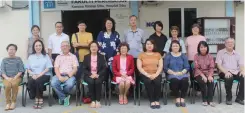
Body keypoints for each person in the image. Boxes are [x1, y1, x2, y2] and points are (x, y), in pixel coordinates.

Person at [122, 15, 147, 94]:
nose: (133, 21)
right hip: (128, 57)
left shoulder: (141, 31)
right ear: (129, 22)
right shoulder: (126, 32)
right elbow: (124, 44)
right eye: (131, 20)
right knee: (130, 74)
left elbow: (144, 43)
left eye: (134, 20)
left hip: (139, 56)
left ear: (136, 21)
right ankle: (130, 91)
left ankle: (138, 91)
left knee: (138, 73)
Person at [216, 37, 244, 105]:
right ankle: (229, 97)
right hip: (224, 72)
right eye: (228, 42)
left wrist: (243, 71)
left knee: (244, 77)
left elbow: (241, 65)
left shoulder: (237, 54)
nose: (230, 44)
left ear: (234, 44)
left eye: (231, 42)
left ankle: (239, 98)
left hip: (235, 72)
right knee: (229, 77)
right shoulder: (220, 52)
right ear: (225, 44)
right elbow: (218, 65)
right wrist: (226, 72)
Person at [51, 41, 79, 106]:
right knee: (53, 83)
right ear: (61, 48)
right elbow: (56, 68)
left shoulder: (73, 56)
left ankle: (62, 97)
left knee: (69, 84)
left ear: (69, 47)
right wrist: (59, 77)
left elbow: (75, 69)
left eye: (66, 45)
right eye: (63, 46)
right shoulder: (58, 57)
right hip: (59, 74)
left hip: (70, 75)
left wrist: (67, 77)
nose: (65, 47)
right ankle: (64, 97)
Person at [137, 39, 163, 109]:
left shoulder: (158, 54)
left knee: (157, 82)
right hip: (145, 74)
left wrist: (156, 74)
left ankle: (157, 100)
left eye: (151, 44)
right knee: (148, 81)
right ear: (145, 45)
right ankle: (151, 100)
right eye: (148, 44)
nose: (149, 46)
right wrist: (148, 75)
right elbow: (139, 67)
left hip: (156, 73)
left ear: (153, 45)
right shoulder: (141, 55)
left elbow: (160, 66)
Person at [27, 40, 53, 109]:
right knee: (30, 81)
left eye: (39, 45)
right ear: (34, 47)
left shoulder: (46, 56)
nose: (38, 47)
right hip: (34, 75)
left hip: (45, 74)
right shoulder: (31, 57)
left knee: (38, 80)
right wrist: (33, 74)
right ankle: (34, 95)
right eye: (36, 46)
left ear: (42, 47)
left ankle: (39, 98)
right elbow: (28, 69)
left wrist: (39, 75)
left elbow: (48, 68)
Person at [164, 40, 189, 107]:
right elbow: (165, 68)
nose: (175, 47)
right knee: (175, 80)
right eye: (173, 46)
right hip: (171, 74)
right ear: (171, 47)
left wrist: (181, 72)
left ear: (179, 47)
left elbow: (187, 67)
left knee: (185, 80)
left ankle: (182, 98)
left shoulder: (183, 56)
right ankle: (177, 97)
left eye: (176, 46)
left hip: (182, 73)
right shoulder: (168, 56)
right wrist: (173, 73)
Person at [48, 21, 69, 99]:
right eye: (57, 26)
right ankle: (55, 93)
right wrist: (50, 58)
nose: (59, 28)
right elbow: (49, 48)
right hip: (54, 55)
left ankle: (64, 91)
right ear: (55, 27)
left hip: (64, 55)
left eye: (60, 26)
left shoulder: (66, 36)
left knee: (64, 72)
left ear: (62, 28)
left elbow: (67, 47)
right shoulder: (51, 36)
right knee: (55, 75)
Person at [83, 41, 107, 108]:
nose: (93, 48)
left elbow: (104, 68)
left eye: (95, 46)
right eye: (92, 46)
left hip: (99, 75)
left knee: (97, 81)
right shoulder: (86, 57)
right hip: (89, 75)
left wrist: (97, 74)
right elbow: (84, 69)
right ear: (90, 48)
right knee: (91, 81)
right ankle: (93, 100)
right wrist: (91, 74)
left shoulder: (102, 56)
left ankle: (98, 101)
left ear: (98, 48)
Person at [1, 44, 25, 111]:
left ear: (15, 51)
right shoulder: (4, 60)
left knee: (14, 84)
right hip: (6, 77)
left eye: (13, 49)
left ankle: (13, 102)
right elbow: (2, 71)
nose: (11, 51)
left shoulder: (18, 59)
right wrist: (7, 78)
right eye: (10, 49)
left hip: (17, 77)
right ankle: (8, 103)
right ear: (7, 50)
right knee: (7, 85)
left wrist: (15, 77)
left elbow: (21, 70)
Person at [185, 24, 206, 92]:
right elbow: (186, 49)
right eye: (193, 28)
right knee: (192, 74)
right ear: (191, 30)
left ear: (199, 29)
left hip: (200, 59)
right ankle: (193, 87)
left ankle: (199, 87)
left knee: (199, 73)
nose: (195, 30)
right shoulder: (188, 38)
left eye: (197, 28)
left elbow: (205, 48)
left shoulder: (202, 38)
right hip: (190, 59)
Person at [194, 41, 215, 107]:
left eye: (205, 47)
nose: (203, 48)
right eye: (201, 47)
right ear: (199, 48)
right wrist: (203, 76)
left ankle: (210, 100)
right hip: (199, 74)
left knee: (211, 81)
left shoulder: (210, 56)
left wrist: (210, 75)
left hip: (208, 73)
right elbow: (196, 68)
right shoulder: (196, 56)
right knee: (203, 81)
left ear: (207, 47)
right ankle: (204, 100)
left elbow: (212, 67)